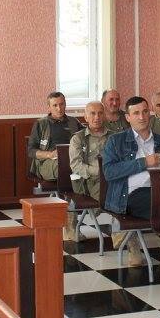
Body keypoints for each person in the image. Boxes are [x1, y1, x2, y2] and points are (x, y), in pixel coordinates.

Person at [102, 96, 160, 266]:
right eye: (136, 113)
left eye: (145, 112)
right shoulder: (116, 141)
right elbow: (109, 172)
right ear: (127, 117)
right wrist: (144, 162)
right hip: (130, 195)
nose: (142, 117)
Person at [67, 101, 109, 240]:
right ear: (85, 117)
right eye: (92, 113)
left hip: (112, 177)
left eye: (100, 113)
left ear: (104, 115)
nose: (97, 117)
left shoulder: (114, 136)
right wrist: (98, 172)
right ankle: (121, 233)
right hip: (88, 181)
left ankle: (122, 233)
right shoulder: (78, 138)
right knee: (115, 196)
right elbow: (76, 165)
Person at [27, 91, 82, 182]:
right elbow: (31, 151)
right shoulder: (41, 124)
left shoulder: (73, 122)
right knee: (64, 167)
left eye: (61, 104)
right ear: (49, 107)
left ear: (65, 104)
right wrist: (50, 154)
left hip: (73, 158)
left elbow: (86, 137)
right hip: (49, 161)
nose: (59, 108)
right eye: (55, 105)